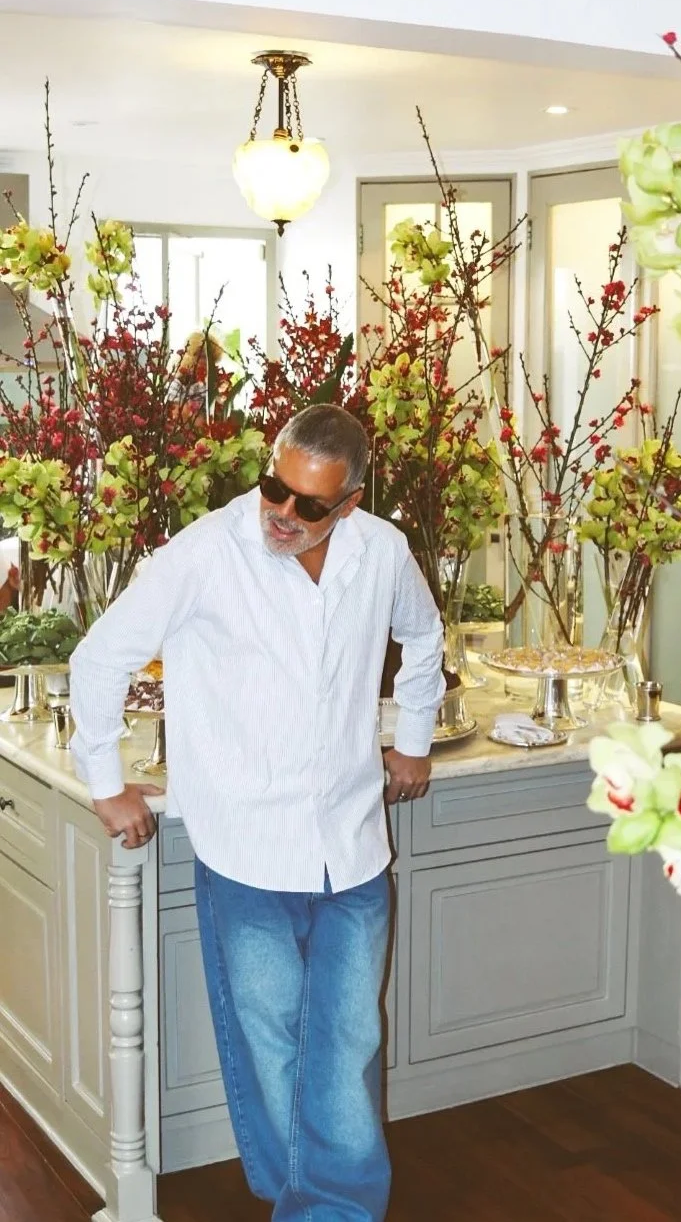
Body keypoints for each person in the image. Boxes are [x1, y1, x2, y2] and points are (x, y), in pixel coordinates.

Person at [69, 403, 446, 1222]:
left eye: (311, 504)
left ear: (348, 503)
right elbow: (98, 659)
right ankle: (304, 1198)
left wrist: (411, 738)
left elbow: (424, 637)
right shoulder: (205, 553)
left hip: (350, 843)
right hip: (242, 844)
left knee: (347, 1043)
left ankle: (325, 1209)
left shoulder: (381, 552)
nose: (284, 513)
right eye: (276, 487)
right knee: (270, 1043)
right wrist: (107, 781)